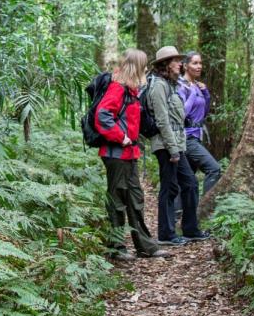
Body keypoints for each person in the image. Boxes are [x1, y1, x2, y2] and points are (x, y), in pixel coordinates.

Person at [95, 48, 171, 260]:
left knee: (136, 198)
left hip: (129, 154)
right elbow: (102, 116)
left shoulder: (131, 91)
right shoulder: (117, 89)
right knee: (117, 199)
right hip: (115, 153)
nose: (146, 69)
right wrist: (121, 137)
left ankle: (146, 246)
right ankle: (116, 247)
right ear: (136, 66)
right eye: (144, 65)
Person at [148, 45, 211, 246]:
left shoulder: (172, 85)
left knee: (190, 184)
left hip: (177, 144)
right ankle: (166, 234)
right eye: (175, 61)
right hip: (166, 145)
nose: (179, 64)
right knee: (169, 187)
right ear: (166, 65)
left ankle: (191, 229)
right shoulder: (158, 85)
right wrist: (173, 148)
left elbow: (179, 116)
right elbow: (162, 120)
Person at [177, 51, 222, 197]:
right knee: (214, 169)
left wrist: (205, 94)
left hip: (196, 136)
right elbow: (181, 113)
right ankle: (205, 207)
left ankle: (178, 215)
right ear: (185, 66)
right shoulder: (181, 86)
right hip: (187, 138)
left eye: (200, 63)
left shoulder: (197, 85)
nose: (199, 66)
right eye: (195, 63)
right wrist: (191, 94)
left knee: (187, 180)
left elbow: (203, 113)